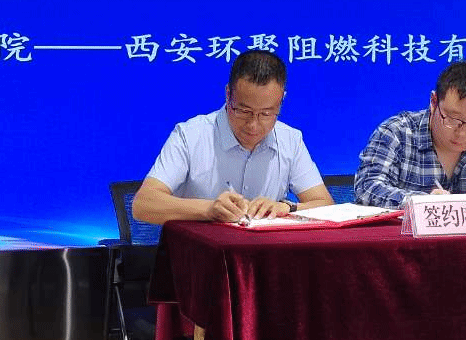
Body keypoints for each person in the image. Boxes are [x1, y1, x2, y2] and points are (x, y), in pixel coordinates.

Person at [131, 50, 333, 224]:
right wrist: (209, 209)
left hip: (266, 253)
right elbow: (143, 204)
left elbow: (326, 205)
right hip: (201, 254)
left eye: (266, 114)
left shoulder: (290, 139)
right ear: (228, 95)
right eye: (244, 111)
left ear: (281, 101)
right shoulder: (191, 135)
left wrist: (287, 207)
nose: (253, 125)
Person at [355, 61, 466, 207]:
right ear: (434, 102)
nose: (462, 133)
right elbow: (368, 186)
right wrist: (424, 203)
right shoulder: (396, 131)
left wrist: (456, 205)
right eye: (453, 119)